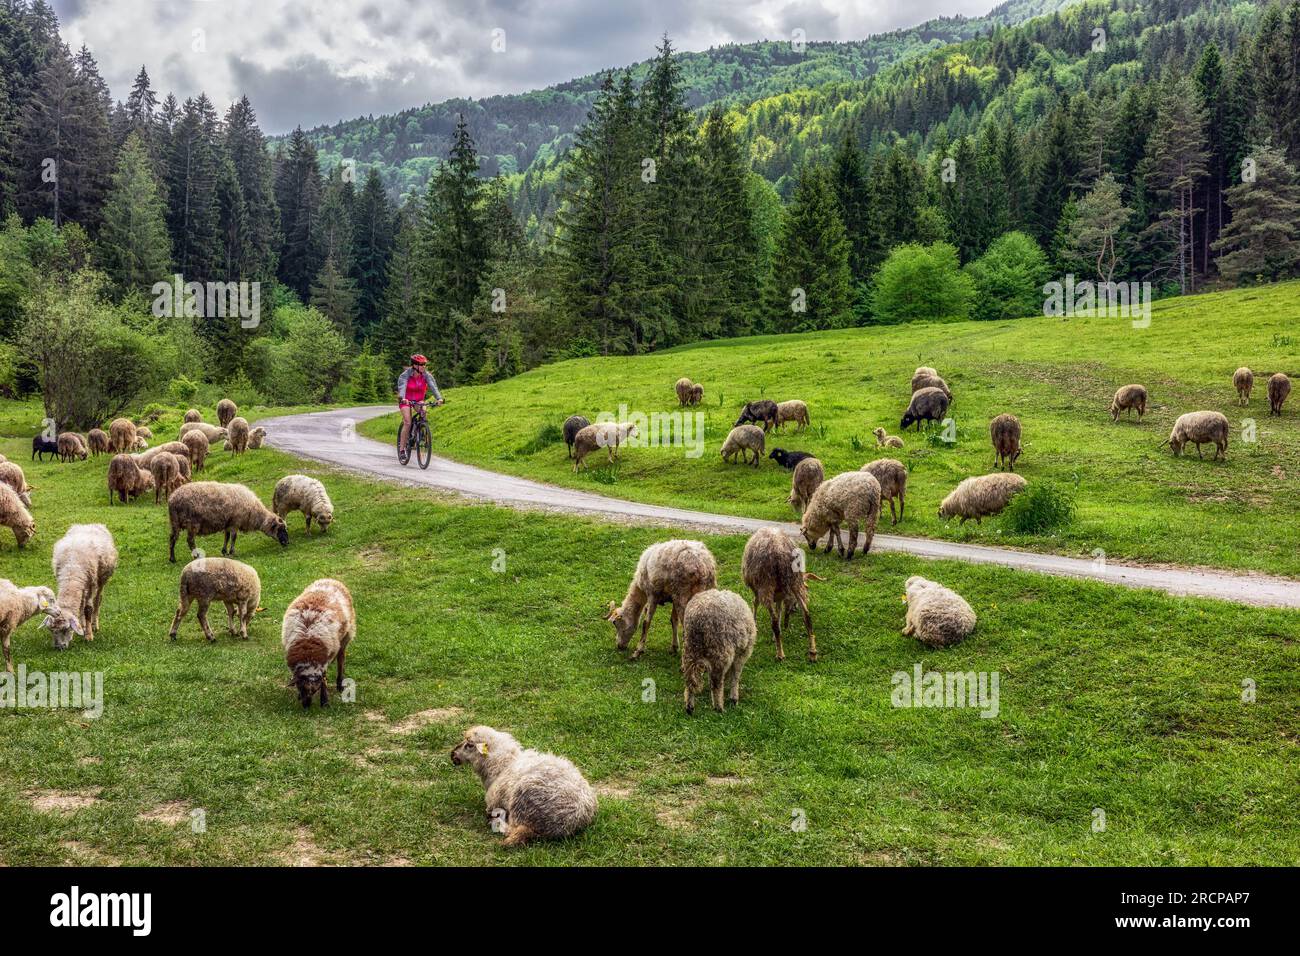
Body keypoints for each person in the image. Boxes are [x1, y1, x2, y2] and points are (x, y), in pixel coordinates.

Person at [396, 354, 444, 454]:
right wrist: (403, 398)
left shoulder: (426, 375)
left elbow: (433, 387)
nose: (423, 366)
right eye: (421, 364)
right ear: (414, 365)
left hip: (418, 400)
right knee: (408, 422)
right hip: (406, 400)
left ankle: (420, 433)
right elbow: (402, 387)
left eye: (424, 364)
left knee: (423, 411)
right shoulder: (405, 375)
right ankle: (402, 450)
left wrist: (439, 398)